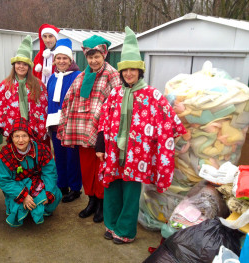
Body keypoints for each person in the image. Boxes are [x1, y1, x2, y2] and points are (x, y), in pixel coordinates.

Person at [95, 27, 187, 244]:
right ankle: (111, 225)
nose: (129, 74)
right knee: (111, 188)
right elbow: (103, 119)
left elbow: (168, 118)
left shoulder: (151, 95)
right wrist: (100, 144)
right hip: (114, 151)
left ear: (140, 71)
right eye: (125, 70)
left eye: (133, 70)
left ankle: (125, 231)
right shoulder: (115, 93)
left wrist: (183, 133)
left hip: (137, 156)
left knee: (130, 193)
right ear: (121, 71)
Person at [57, 35, 121, 223]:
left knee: (101, 168)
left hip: (103, 133)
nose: (93, 61)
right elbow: (70, 100)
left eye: (97, 57)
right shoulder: (82, 76)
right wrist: (65, 126)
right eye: (90, 57)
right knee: (86, 168)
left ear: (104, 55)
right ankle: (91, 200)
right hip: (83, 131)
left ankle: (101, 204)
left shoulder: (112, 75)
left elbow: (117, 103)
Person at [0, 118, 62, 227]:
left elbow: (50, 173)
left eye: (24, 136)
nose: (20, 140)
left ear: (30, 136)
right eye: (16, 136)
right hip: (17, 186)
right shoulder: (5, 153)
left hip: (37, 183)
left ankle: (39, 209)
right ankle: (27, 209)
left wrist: (48, 193)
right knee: (18, 207)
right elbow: (3, 180)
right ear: (11, 137)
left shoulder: (42, 149)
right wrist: (23, 196)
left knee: (55, 196)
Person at [0, 35, 48, 145]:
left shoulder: (38, 85)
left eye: (25, 64)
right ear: (14, 65)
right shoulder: (5, 85)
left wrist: (40, 126)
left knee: (32, 157)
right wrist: (5, 126)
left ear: (29, 67)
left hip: (33, 129)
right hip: (14, 130)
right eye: (18, 63)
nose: (21, 67)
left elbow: (43, 107)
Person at [46, 39, 82, 203]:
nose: (61, 61)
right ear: (54, 60)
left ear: (70, 60)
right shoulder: (52, 78)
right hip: (55, 124)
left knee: (72, 157)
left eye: (64, 58)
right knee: (59, 156)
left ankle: (75, 188)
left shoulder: (77, 76)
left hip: (70, 124)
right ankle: (62, 185)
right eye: (58, 58)